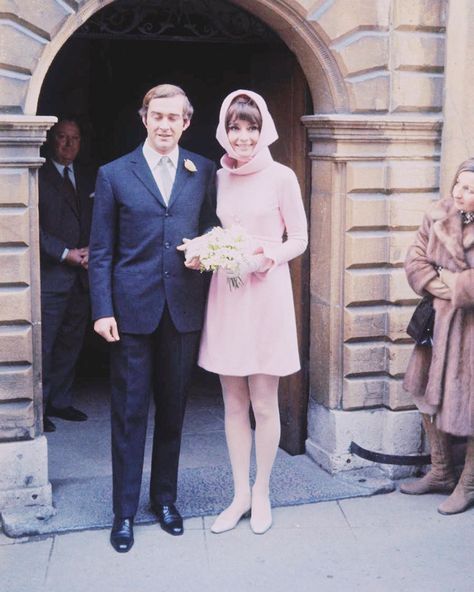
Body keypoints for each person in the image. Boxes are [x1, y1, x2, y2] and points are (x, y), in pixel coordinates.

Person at [88, 84, 218, 553]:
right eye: (157, 116)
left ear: (187, 121)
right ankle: (123, 512)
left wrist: (209, 248)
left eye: (174, 117)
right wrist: (102, 309)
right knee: (128, 412)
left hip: (182, 310)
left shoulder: (202, 170)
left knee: (174, 410)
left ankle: (165, 500)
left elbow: (211, 226)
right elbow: (101, 250)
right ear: (144, 118)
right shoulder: (114, 174)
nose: (165, 125)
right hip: (129, 312)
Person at [195, 90, 307, 534]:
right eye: (236, 127)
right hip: (227, 292)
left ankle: (262, 491)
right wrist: (205, 252)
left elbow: (299, 238)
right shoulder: (216, 178)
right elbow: (211, 230)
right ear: (224, 129)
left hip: (266, 293)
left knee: (264, 401)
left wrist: (264, 259)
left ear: (265, 130)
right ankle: (239, 493)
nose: (243, 137)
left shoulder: (282, 177)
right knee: (233, 401)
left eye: (252, 127)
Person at [402, 158, 474, 515]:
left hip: (469, 332)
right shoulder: (437, 214)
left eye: (471, 189)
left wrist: (457, 284)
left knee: (470, 406)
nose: (461, 194)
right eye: (459, 185)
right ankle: (442, 471)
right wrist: (440, 285)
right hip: (436, 324)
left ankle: (469, 483)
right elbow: (415, 258)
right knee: (425, 395)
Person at [39, 118, 95, 433]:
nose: (68, 144)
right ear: (50, 140)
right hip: (52, 277)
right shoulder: (37, 174)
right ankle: (40, 406)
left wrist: (91, 251)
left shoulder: (86, 177)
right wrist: (65, 254)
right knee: (45, 345)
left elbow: (102, 217)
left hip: (82, 277)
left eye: (74, 138)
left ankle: (60, 401)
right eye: (62, 137)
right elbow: (30, 227)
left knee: (70, 343)